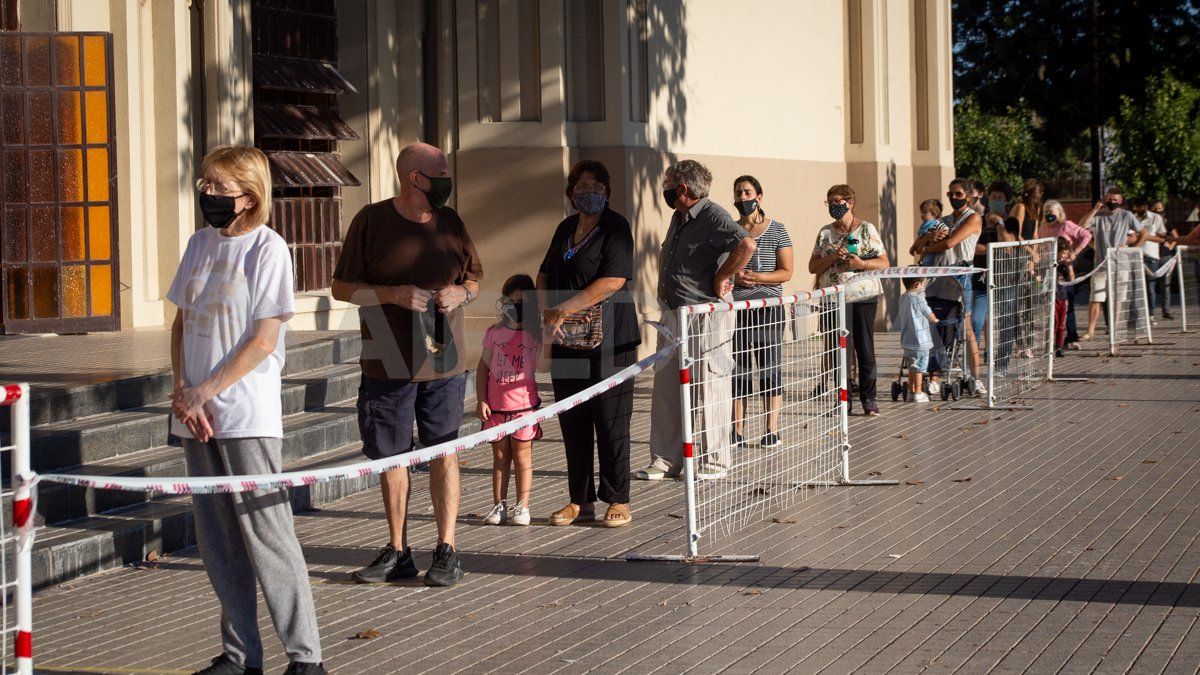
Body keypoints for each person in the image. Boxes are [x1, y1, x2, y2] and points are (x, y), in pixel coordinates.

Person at [168, 146, 325, 675]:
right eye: (204, 185)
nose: (207, 194)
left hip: (244, 414)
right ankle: (240, 655)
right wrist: (182, 390)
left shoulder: (268, 248)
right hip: (196, 416)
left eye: (217, 186)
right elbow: (180, 324)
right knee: (217, 541)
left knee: (267, 535)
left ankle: (306, 657)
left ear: (248, 195)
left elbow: (263, 339)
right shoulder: (198, 244)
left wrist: (206, 390)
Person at [332, 142, 482, 588]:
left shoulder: (451, 222)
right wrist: (391, 294)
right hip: (387, 356)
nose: (446, 180)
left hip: (443, 356)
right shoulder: (371, 222)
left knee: (443, 449)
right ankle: (397, 550)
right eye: (439, 173)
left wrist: (464, 294)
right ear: (413, 177)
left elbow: (474, 277)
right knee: (391, 455)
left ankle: (446, 548)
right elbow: (341, 288)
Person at [538, 160, 640, 526]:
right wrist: (547, 312)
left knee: (611, 422)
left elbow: (613, 280)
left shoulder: (617, 228)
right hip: (567, 340)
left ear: (607, 191)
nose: (589, 193)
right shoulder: (565, 228)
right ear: (571, 192)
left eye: (597, 186)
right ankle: (579, 500)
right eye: (582, 187)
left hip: (612, 340)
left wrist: (562, 308)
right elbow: (545, 273)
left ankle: (618, 498)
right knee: (573, 420)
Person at [640, 159, 756, 479]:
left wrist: (723, 275)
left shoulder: (712, 215)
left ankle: (714, 459)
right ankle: (665, 459)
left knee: (709, 386)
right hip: (673, 313)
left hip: (705, 314)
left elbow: (746, 244)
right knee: (666, 389)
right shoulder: (679, 217)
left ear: (683, 188)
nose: (663, 189)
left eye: (667, 184)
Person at [808, 184, 890, 416]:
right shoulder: (826, 233)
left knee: (864, 348)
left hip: (863, 296)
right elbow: (813, 266)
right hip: (834, 298)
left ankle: (869, 399)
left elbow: (884, 262)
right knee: (840, 350)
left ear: (850, 202)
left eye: (838, 201)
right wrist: (833, 256)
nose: (834, 206)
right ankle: (843, 399)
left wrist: (860, 264)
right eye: (830, 202)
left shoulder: (866, 229)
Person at [476, 274, 548, 527]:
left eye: (522, 303)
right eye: (511, 301)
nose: (516, 307)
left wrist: (548, 336)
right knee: (499, 458)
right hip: (496, 408)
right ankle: (499, 505)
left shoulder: (534, 336)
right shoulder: (494, 333)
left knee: (522, 458)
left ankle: (522, 506)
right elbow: (483, 368)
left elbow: (541, 365)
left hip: (524, 409)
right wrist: (481, 399)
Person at [729, 175, 793, 448]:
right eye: (738, 193)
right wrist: (735, 277)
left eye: (747, 192)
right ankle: (737, 431)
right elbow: (721, 267)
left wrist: (758, 277)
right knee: (738, 370)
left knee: (769, 367)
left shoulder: (777, 229)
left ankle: (771, 429)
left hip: (768, 307)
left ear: (759, 196)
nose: (743, 198)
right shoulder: (729, 230)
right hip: (737, 307)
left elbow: (787, 271)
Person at [914, 178, 983, 395]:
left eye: (958, 194)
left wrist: (931, 242)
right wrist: (928, 238)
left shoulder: (973, 218)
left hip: (961, 275)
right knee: (936, 324)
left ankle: (976, 376)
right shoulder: (942, 220)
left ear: (969, 196)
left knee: (966, 326)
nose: (954, 198)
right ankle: (935, 375)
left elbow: (951, 242)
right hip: (939, 276)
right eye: (950, 194)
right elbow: (916, 248)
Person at [1080, 188, 1138, 341]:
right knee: (1095, 297)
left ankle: (1114, 328)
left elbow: (1135, 235)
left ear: (1121, 201)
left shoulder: (1126, 216)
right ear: (1105, 200)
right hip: (1101, 264)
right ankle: (1090, 330)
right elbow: (1082, 226)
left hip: (1121, 264)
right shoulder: (1098, 216)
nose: (1112, 202)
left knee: (1117, 298)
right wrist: (1095, 209)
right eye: (1110, 199)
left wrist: (1128, 244)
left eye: (1116, 200)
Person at [1038, 200, 1092, 348]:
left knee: (1068, 304)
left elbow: (1086, 235)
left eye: (1052, 211)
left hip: (1066, 268)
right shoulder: (1042, 228)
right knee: (1052, 305)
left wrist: (1075, 252)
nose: (1049, 214)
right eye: (1047, 212)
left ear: (1059, 213)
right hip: (1049, 268)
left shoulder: (1066, 225)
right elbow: (1040, 246)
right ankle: (1055, 339)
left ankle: (1072, 337)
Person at [894, 277, 938, 403]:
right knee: (919, 368)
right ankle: (918, 393)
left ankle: (910, 392)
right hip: (921, 339)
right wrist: (935, 320)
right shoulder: (919, 298)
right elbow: (929, 313)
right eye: (923, 283)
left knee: (911, 367)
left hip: (907, 339)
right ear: (917, 284)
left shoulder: (903, 297)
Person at [1130, 197, 1172, 320]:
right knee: (1136, 286)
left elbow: (1162, 237)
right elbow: (1130, 237)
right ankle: (1138, 314)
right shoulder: (1132, 217)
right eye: (1136, 207)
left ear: (1146, 206)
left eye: (1141, 206)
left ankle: (1150, 314)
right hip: (1136, 255)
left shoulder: (1155, 218)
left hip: (1151, 255)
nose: (1138, 209)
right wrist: (1140, 237)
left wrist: (1145, 237)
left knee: (1150, 287)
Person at [1054, 237, 1075, 357]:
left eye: (1067, 253)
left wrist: (1069, 265)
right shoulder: (1051, 264)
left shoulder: (1064, 265)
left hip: (1063, 296)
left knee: (1062, 324)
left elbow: (1071, 279)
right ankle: (1052, 346)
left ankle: (1059, 347)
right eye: (1063, 253)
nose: (1064, 256)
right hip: (1053, 297)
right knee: (1055, 322)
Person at [911, 199, 947, 266]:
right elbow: (920, 238)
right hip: (924, 252)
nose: (922, 214)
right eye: (921, 212)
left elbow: (946, 231)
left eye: (925, 212)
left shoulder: (937, 224)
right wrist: (913, 247)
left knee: (928, 263)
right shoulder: (924, 226)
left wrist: (936, 236)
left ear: (934, 214)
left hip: (933, 253)